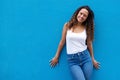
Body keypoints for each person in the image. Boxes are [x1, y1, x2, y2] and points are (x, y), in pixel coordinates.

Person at [50, 5, 100, 80]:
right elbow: (62, 42)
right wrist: (56, 56)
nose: (82, 16)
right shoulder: (67, 25)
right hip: (73, 61)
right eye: (81, 13)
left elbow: (89, 43)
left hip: (85, 58)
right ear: (77, 13)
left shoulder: (87, 28)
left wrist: (92, 58)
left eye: (85, 15)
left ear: (86, 18)